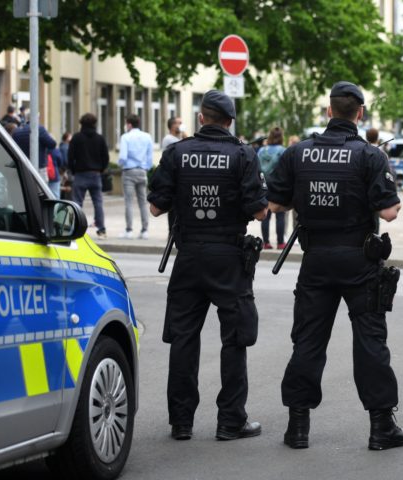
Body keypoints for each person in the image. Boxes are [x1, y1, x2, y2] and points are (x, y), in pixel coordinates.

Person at [268, 81, 403, 450]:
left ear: (329, 111)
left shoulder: (298, 153)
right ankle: (382, 427)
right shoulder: (369, 155)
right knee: (370, 341)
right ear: (360, 114)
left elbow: (275, 205)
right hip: (360, 260)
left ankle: (297, 427)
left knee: (308, 341)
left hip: (316, 260)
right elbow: (390, 212)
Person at [147, 90, 268, 442]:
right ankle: (231, 421)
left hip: (189, 257)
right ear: (230, 122)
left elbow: (155, 207)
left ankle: (181, 422)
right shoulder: (243, 155)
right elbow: (260, 211)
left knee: (184, 338)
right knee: (234, 338)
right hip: (229, 257)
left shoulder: (176, 153)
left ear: (201, 118)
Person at [68, 113, 110, 239]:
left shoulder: (76, 138)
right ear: (94, 123)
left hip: (80, 174)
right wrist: (100, 169)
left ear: (81, 123)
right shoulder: (100, 138)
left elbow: (70, 157)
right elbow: (106, 157)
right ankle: (101, 230)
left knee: (77, 203)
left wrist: (74, 170)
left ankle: (75, 229)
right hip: (95, 174)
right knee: (98, 203)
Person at [118, 114, 153, 239]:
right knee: (143, 202)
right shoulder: (147, 136)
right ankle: (144, 230)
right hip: (142, 171)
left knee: (129, 202)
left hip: (129, 171)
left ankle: (129, 230)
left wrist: (120, 165)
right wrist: (146, 168)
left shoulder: (125, 137)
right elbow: (150, 157)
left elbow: (122, 156)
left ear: (129, 124)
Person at [257, 127, 286, 249]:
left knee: (265, 214)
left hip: (263, 185)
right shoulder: (283, 151)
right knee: (280, 214)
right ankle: (280, 242)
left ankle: (266, 242)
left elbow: (257, 168)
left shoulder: (261, 151)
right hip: (278, 185)